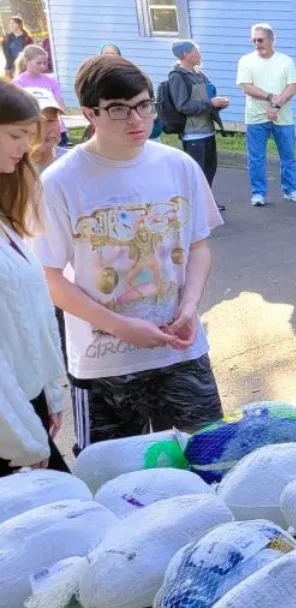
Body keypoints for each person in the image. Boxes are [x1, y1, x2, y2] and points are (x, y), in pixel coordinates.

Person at [35, 55, 224, 451]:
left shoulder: (179, 166)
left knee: (210, 460)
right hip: (103, 365)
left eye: (143, 105)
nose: (136, 119)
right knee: (112, 481)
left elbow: (198, 246)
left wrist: (189, 306)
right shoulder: (59, 182)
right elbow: (50, 279)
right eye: (118, 109)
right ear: (90, 113)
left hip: (182, 353)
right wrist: (121, 326)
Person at [0, 82, 68, 475]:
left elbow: (32, 314)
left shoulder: (7, 218)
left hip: (25, 409)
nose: (24, 147)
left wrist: (49, 391)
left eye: (28, 136)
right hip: (10, 430)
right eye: (15, 135)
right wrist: (24, 439)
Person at [237, 23, 296, 206]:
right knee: (256, 157)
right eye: (254, 40)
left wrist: (276, 105)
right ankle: (258, 193)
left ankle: (290, 189)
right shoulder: (246, 61)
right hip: (256, 117)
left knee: (288, 156)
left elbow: (292, 86)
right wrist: (269, 97)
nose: (257, 43)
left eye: (260, 40)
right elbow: (246, 86)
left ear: (272, 40)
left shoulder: (286, 61)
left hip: (283, 117)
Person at [168, 41, 229, 200]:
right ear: (185, 55)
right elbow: (182, 106)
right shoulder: (177, 77)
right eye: (196, 51)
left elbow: (208, 99)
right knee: (196, 172)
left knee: (210, 169)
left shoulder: (200, 75)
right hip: (193, 134)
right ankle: (195, 206)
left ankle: (206, 204)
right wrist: (210, 103)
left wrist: (218, 104)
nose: (199, 55)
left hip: (208, 130)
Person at [12, 45, 68, 147]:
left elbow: (60, 104)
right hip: (36, 132)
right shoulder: (18, 82)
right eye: (39, 63)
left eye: (45, 63)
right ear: (27, 61)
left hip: (57, 131)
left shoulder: (51, 81)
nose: (43, 66)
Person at [25, 87, 66, 171]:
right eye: (38, 122)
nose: (46, 129)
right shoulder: (8, 167)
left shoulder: (73, 162)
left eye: (51, 120)